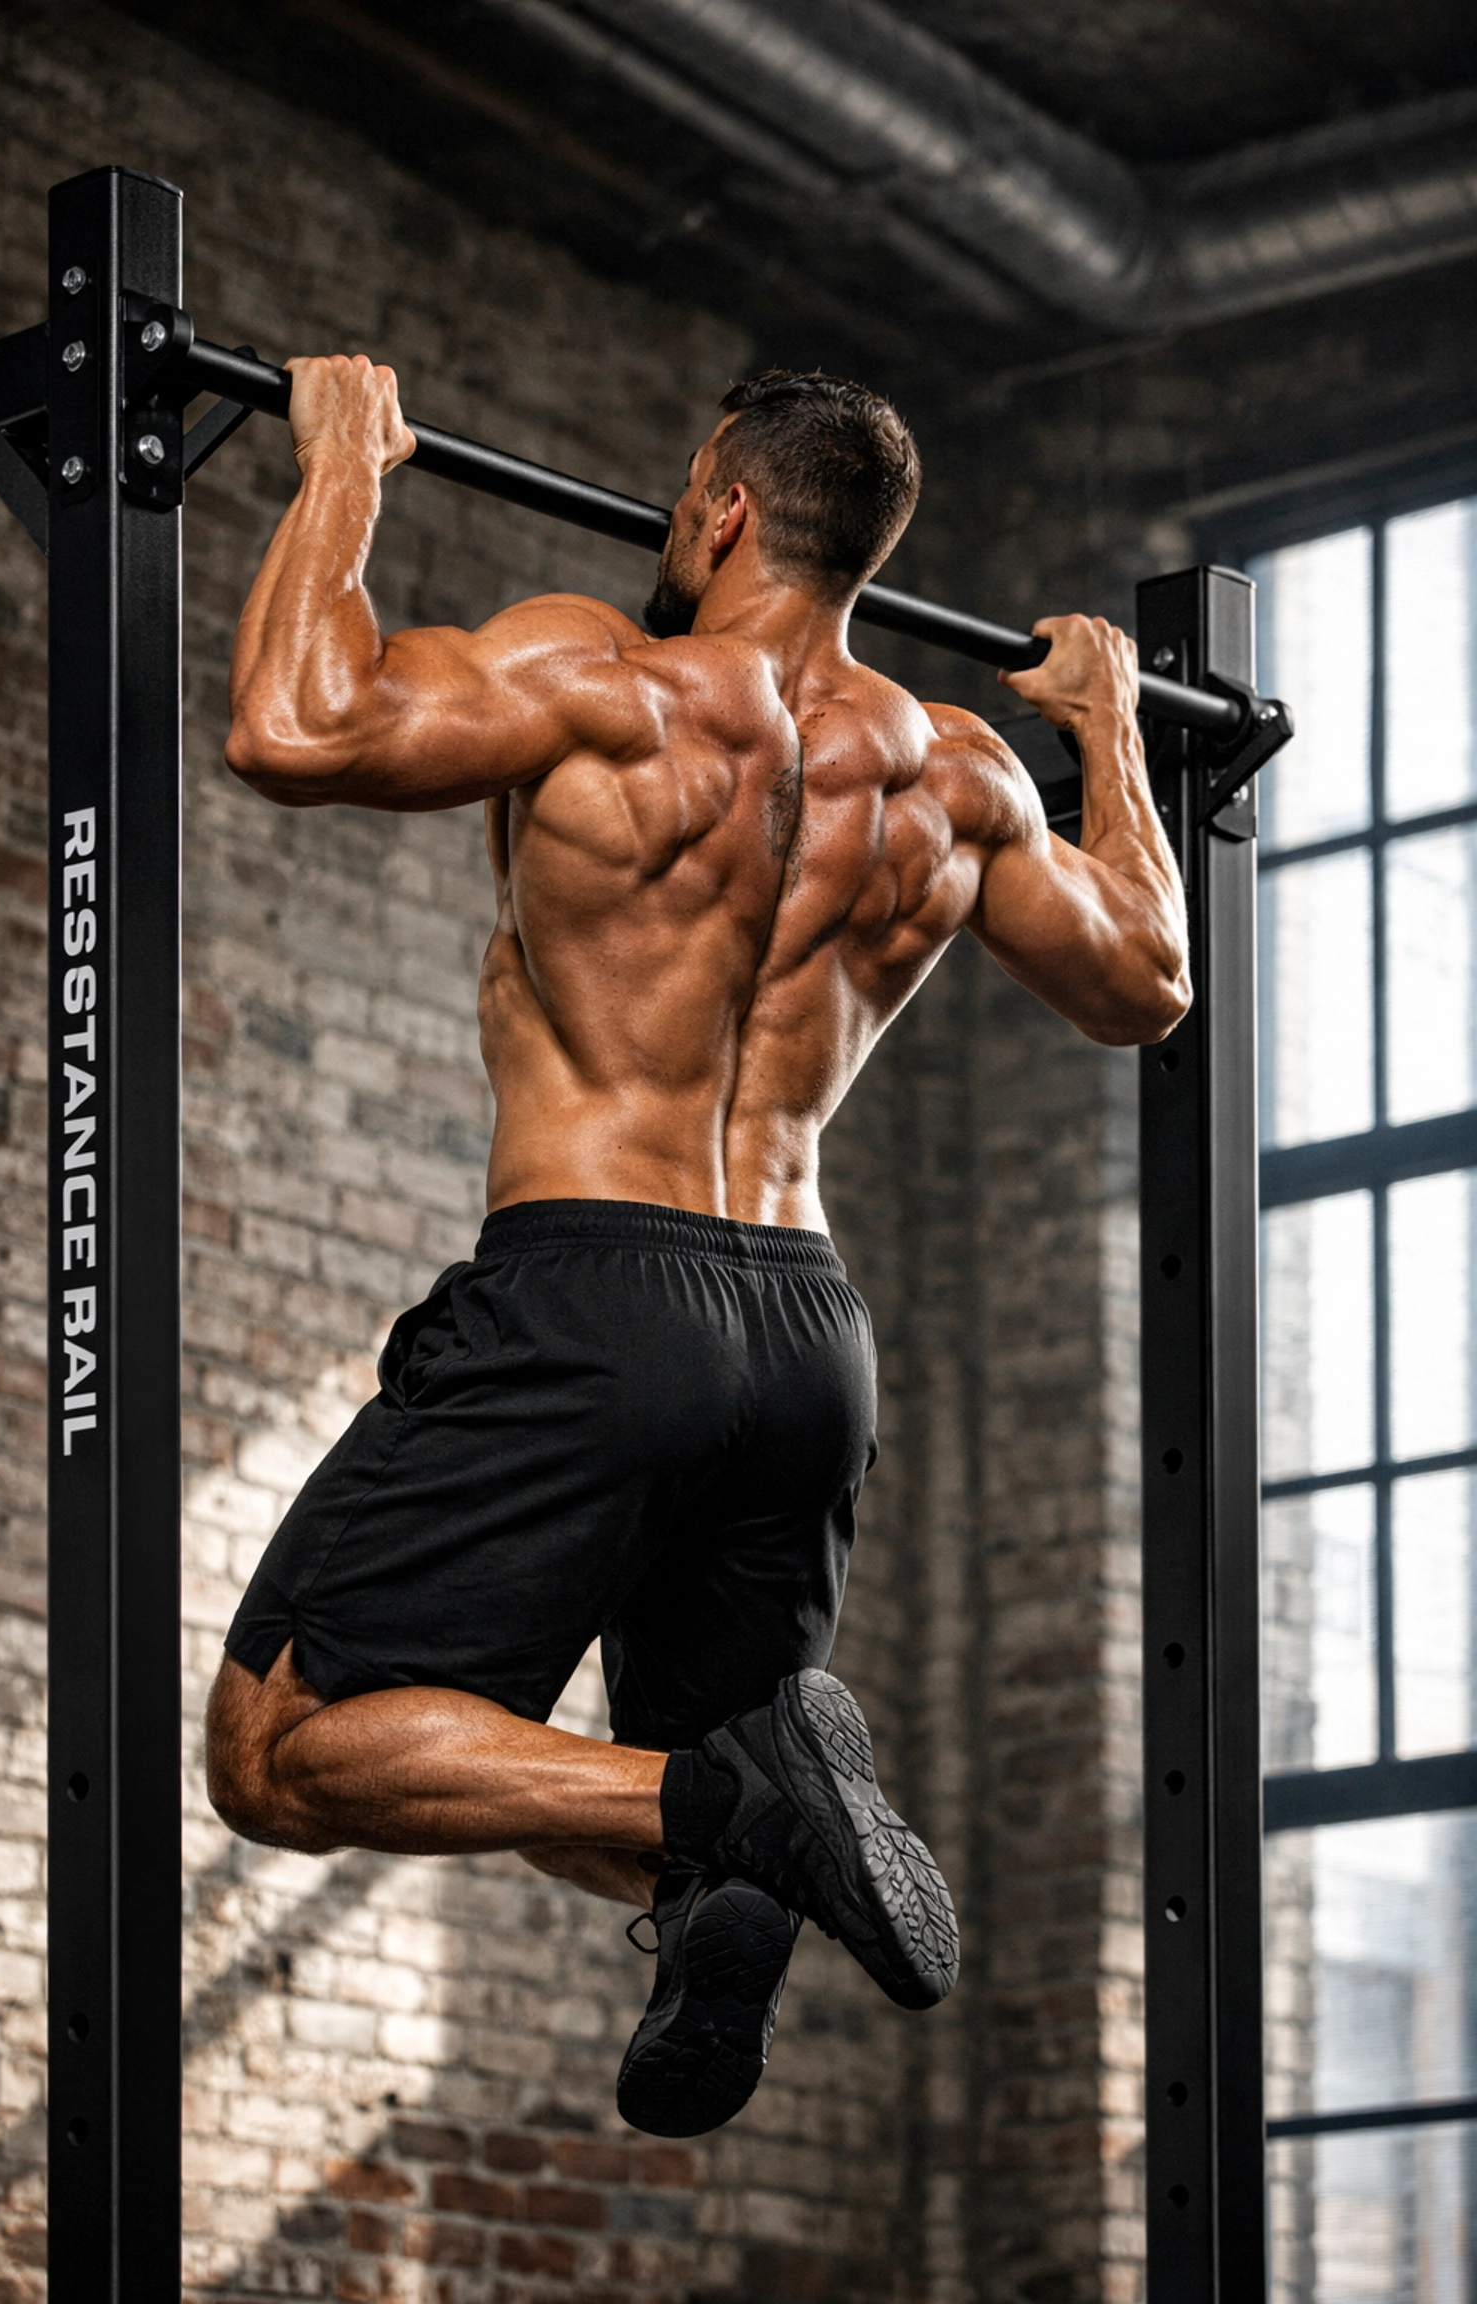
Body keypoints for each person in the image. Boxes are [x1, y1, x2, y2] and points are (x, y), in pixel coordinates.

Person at [206, 355, 1190, 2138]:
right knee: (635, 1781)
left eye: (684, 494)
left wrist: (345, 463)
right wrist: (1112, 731)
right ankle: (723, 1845)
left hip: (595, 1284)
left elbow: (292, 723)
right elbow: (1146, 981)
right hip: (810, 1342)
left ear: (725, 504)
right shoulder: (958, 774)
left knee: (280, 1753)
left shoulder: (609, 680)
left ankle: (728, 1824)